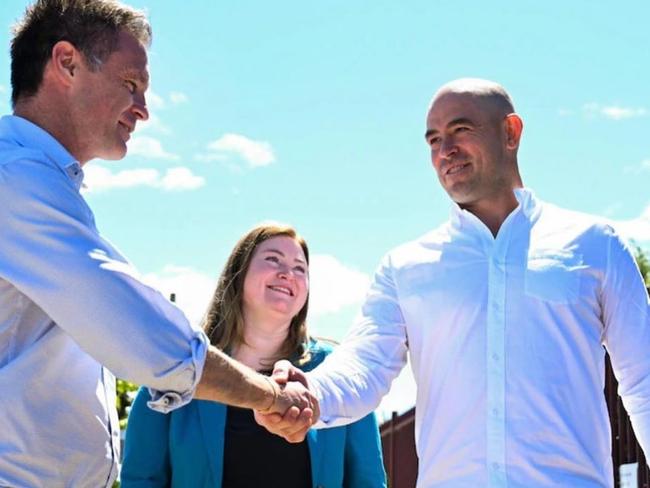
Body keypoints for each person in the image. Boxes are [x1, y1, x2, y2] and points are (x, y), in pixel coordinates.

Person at [258, 78, 650, 487]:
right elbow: (365, 363)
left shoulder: (595, 245)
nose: (445, 151)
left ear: (510, 132)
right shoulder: (405, 267)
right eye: (433, 140)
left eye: (461, 130)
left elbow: (644, 379)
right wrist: (311, 391)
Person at [0, 2, 314, 487]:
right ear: (67, 63)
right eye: (130, 84)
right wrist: (269, 398)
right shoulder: (14, 181)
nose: (143, 110)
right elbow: (136, 330)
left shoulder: (37, 185)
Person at [121, 223, 386, 488]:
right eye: (273, 259)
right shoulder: (181, 367)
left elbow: (368, 481)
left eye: (299, 268)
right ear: (239, 273)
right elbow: (142, 479)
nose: (287, 273)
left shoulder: (338, 372)